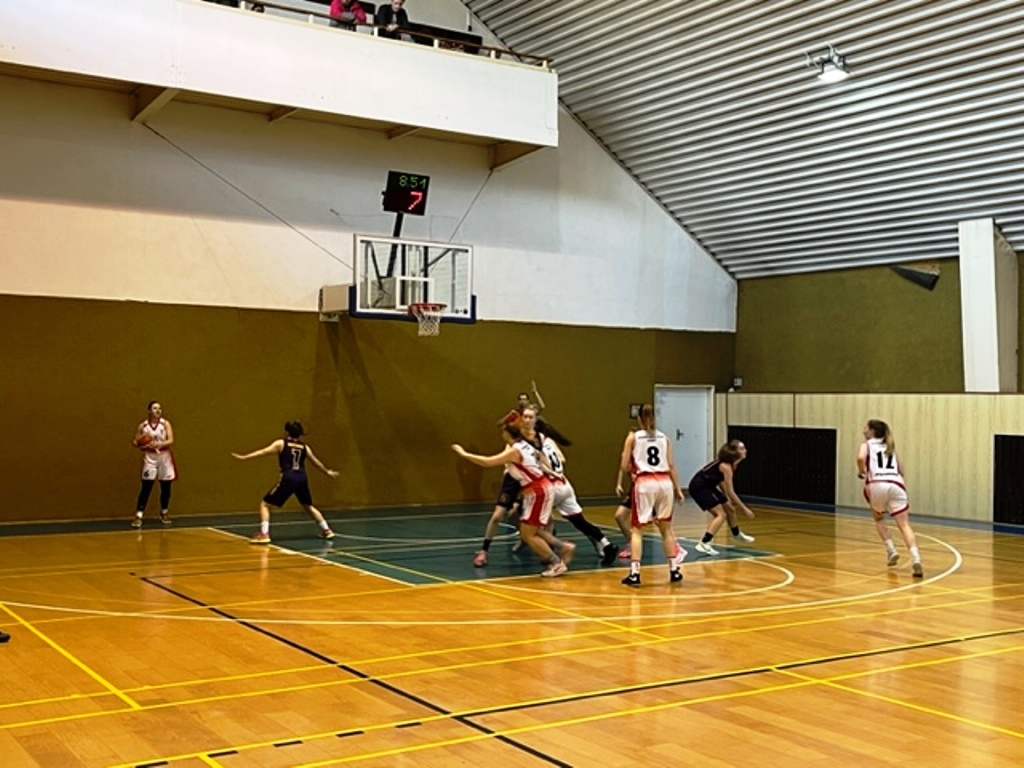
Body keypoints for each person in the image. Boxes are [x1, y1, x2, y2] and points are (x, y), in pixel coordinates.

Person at [453, 420, 576, 577]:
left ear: (507, 434)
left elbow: (487, 462)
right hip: (539, 488)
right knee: (529, 530)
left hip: (537, 491)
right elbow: (542, 460)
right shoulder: (527, 445)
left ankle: (556, 563)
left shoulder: (515, 451)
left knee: (528, 535)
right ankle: (563, 547)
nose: (501, 434)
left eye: (503, 432)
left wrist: (464, 454)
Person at [615, 404, 687, 587]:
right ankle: (674, 570)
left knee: (637, 530)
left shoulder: (633, 437)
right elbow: (671, 465)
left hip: (645, 482)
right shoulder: (664, 437)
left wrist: (631, 466)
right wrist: (678, 489)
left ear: (639, 418)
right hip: (665, 483)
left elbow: (624, 465)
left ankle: (635, 573)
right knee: (666, 529)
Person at [232, 421, 339, 544]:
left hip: (288, 477)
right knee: (308, 505)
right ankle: (327, 530)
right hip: (302, 478)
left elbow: (263, 452)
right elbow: (315, 461)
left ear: (287, 432)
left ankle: (264, 534)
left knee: (265, 504)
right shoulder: (305, 447)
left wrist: (245, 457)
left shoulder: (281, 443)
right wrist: (327, 471)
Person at [538, 423, 619, 566]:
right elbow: (562, 459)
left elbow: (541, 465)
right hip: (564, 484)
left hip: (551, 486)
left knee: (535, 523)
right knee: (580, 522)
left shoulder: (534, 445)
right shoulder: (550, 441)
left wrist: (545, 468)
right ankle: (607, 545)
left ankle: (551, 554)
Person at [858, 419, 923, 577]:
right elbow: (901, 469)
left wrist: (861, 471)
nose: (863, 430)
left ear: (872, 431)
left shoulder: (867, 445)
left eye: (865, 427)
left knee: (879, 519)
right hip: (896, 484)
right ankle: (916, 558)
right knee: (904, 525)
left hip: (877, 484)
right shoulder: (890, 446)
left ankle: (891, 549)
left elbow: (860, 458)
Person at [689, 440, 756, 555]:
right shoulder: (726, 466)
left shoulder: (732, 465)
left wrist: (725, 499)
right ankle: (704, 543)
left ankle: (736, 534)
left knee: (730, 509)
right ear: (733, 452)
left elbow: (721, 481)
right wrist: (745, 509)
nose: (745, 451)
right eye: (742, 449)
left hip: (709, 486)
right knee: (721, 514)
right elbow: (731, 492)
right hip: (699, 487)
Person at [131, 401, 176, 528]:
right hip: (150, 457)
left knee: (166, 486)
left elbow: (171, 440)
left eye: (159, 408)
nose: (158, 410)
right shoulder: (143, 426)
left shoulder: (165, 423)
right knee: (146, 486)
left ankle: (164, 511)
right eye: (155, 408)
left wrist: (158, 444)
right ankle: (139, 514)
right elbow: (135, 441)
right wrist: (141, 442)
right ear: (149, 411)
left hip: (164, 456)